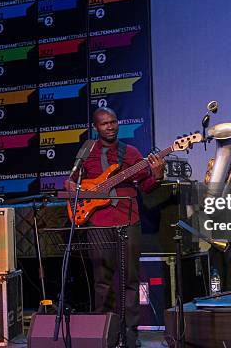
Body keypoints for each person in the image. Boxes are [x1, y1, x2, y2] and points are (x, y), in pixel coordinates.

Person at [64, 107, 164, 348]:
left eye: (113, 122)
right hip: (97, 223)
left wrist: (158, 174)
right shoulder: (86, 152)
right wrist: (82, 193)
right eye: (104, 123)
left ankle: (130, 336)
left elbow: (147, 186)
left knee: (130, 281)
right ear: (96, 127)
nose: (110, 126)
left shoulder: (130, 153)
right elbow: (70, 183)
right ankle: (104, 334)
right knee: (102, 281)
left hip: (128, 221)